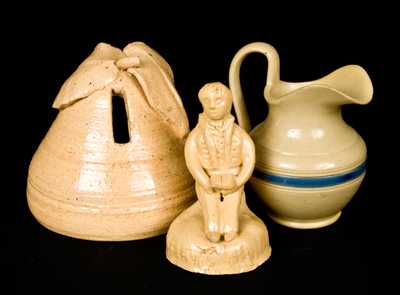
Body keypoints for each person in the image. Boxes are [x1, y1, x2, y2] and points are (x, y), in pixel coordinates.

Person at [184, 82, 255, 242]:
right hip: (208, 181)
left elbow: (249, 159)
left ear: (229, 103)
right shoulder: (196, 135)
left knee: (231, 207)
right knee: (210, 207)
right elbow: (192, 160)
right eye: (207, 101)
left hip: (233, 179)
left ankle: (230, 227)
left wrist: (238, 181)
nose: (212, 106)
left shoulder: (240, 135)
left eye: (218, 100)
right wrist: (204, 181)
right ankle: (212, 227)